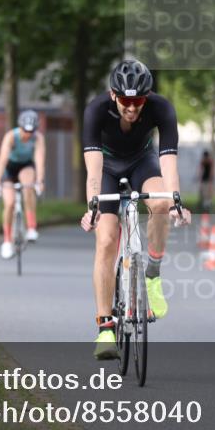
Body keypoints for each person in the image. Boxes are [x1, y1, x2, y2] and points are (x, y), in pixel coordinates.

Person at [79, 58, 191, 359]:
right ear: (114, 94)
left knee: (162, 201)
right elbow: (92, 170)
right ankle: (105, 328)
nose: (132, 107)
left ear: (148, 96)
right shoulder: (96, 110)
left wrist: (176, 201)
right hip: (106, 167)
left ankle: (152, 271)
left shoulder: (161, 108)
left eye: (139, 100)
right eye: (126, 100)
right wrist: (93, 206)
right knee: (105, 240)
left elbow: (168, 163)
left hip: (143, 162)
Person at [0, 109, 45, 259]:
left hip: (26, 167)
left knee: (28, 185)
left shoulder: (38, 138)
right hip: (9, 169)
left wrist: (40, 180)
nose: (28, 134)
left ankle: (31, 227)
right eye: (25, 131)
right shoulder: (11, 137)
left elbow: (40, 160)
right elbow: (2, 160)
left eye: (32, 131)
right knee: (9, 204)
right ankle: (7, 241)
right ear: (20, 127)